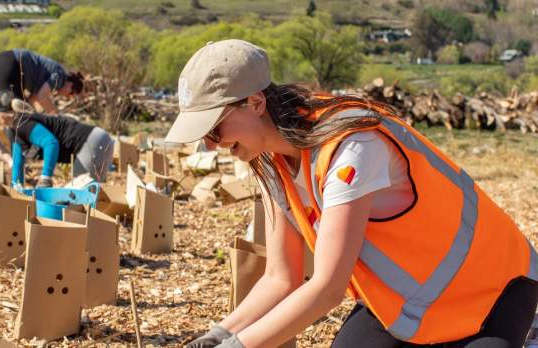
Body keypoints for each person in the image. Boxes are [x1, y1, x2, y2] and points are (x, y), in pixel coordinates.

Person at [165, 39, 538, 348]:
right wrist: (219, 335)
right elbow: (282, 278)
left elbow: (327, 288)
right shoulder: (271, 163)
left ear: (256, 103)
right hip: (407, 303)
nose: (211, 145)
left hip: (491, 291)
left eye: (214, 129)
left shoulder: (351, 148)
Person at [0, 90, 113, 187]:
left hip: (90, 143)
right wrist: (16, 188)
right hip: (97, 140)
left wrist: (45, 178)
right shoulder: (16, 129)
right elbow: (18, 164)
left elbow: (51, 143)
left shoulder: (23, 124)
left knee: (77, 198)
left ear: (1, 114)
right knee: (88, 197)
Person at [0, 49, 84, 115]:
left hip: (5, 60)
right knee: (15, 114)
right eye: (71, 94)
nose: (67, 96)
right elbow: (42, 96)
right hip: (12, 65)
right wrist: (58, 116)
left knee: (13, 111)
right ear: (71, 85)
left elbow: (32, 100)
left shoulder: (55, 76)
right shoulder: (60, 77)